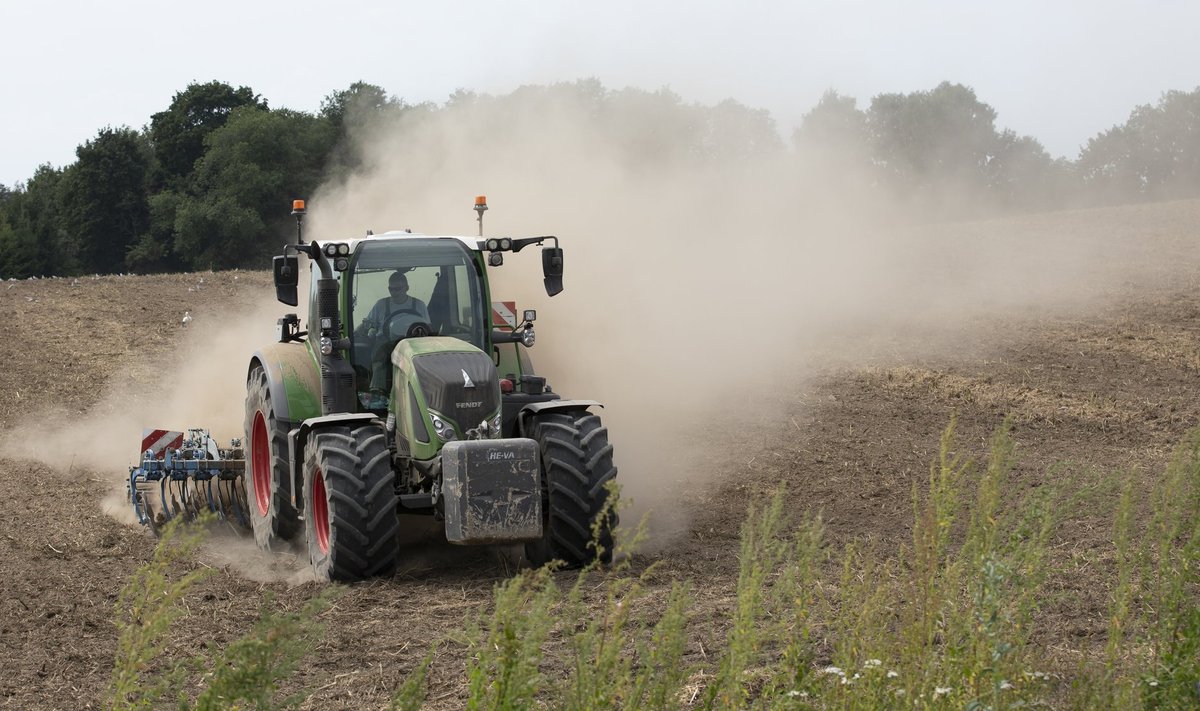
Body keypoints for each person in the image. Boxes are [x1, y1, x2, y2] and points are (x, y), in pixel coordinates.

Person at [360, 271, 431, 407]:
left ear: (407, 288)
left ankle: (424, 393)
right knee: (379, 357)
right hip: (386, 343)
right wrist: (362, 330)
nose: (394, 292)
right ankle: (377, 393)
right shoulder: (381, 305)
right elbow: (367, 324)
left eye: (398, 289)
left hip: (414, 342)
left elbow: (427, 326)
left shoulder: (419, 305)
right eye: (391, 289)